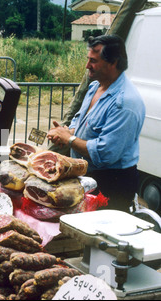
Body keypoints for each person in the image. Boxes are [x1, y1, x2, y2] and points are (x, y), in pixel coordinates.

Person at [47, 35, 145, 212]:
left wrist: (70, 139)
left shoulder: (124, 103)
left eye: (93, 61)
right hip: (87, 176)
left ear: (113, 62)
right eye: (88, 60)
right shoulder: (95, 87)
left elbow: (105, 153)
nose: (87, 66)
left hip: (112, 183)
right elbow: (79, 120)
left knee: (101, 236)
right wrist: (66, 132)